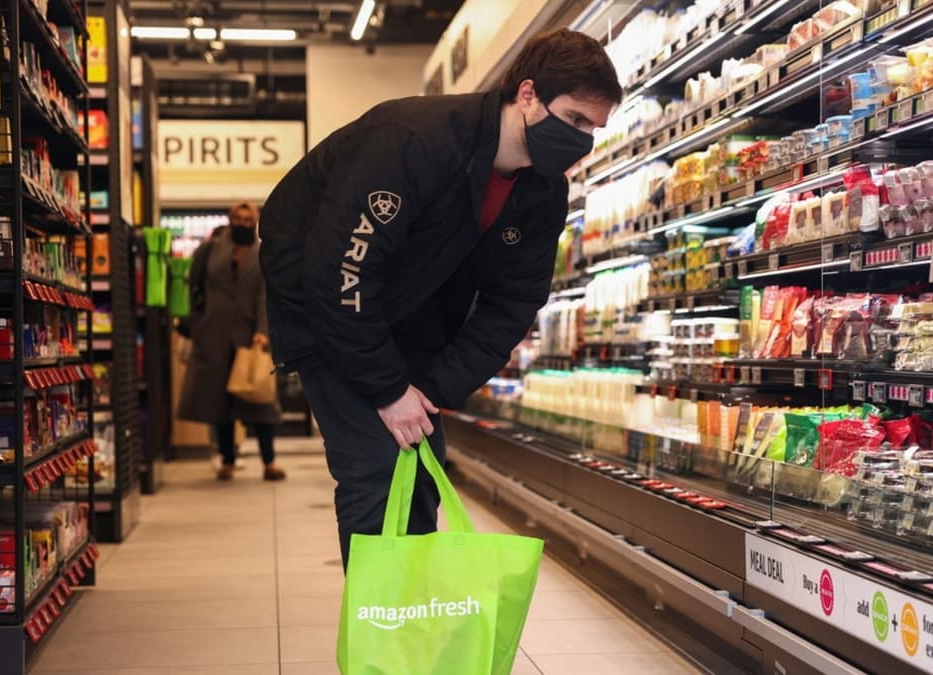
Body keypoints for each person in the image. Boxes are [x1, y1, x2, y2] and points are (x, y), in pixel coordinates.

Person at [258, 29, 620, 563]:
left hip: (420, 325)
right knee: (377, 470)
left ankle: (411, 625)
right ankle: (382, 636)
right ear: (526, 94)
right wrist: (386, 388)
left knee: (421, 470)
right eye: (574, 120)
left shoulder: (544, 193)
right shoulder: (413, 139)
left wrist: (430, 388)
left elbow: (513, 304)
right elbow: (342, 268)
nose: (582, 140)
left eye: (594, 128)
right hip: (329, 314)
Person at [178, 202, 286, 482]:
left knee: (261, 401)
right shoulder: (212, 249)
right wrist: (198, 322)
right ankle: (227, 459)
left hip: (251, 335)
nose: (243, 222)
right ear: (230, 219)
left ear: (256, 221)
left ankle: (269, 461)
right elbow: (196, 286)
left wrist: (264, 329)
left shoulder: (263, 252)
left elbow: (266, 294)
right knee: (219, 403)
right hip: (214, 334)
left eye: (248, 219)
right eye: (238, 218)